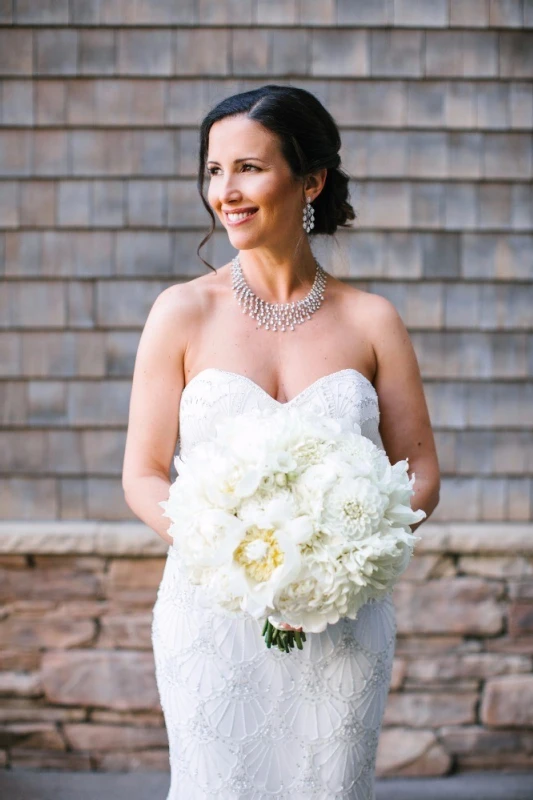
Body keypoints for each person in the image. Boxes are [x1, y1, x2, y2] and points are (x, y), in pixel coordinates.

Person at [122, 84, 440, 799]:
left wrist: (342, 558)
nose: (225, 192)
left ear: (311, 180)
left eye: (248, 168)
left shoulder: (372, 321)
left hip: (340, 620)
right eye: (213, 170)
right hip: (214, 614)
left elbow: (418, 469)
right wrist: (228, 551)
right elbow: (142, 474)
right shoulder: (180, 314)